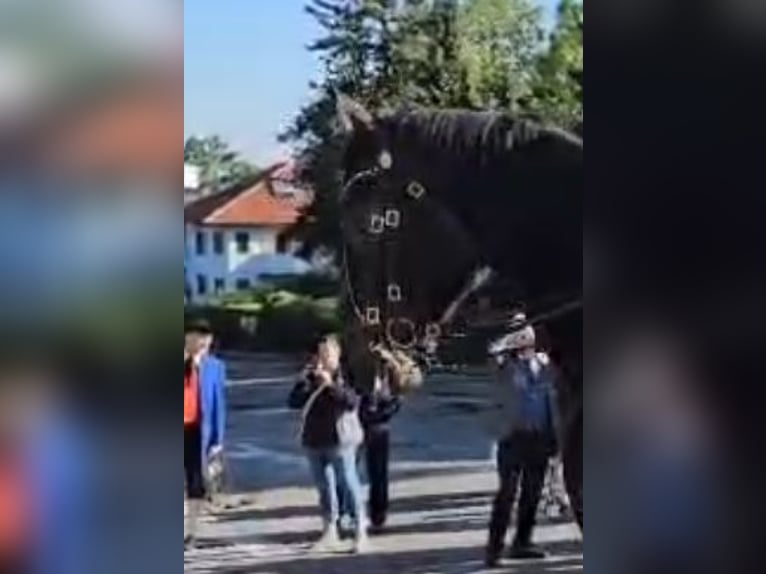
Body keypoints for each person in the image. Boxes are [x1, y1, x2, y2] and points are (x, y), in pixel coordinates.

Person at [484, 313, 560, 567]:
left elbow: (551, 402)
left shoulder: (545, 364)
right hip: (512, 438)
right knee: (507, 494)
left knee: (532, 493)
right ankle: (494, 549)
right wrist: (511, 338)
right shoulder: (503, 365)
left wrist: (555, 436)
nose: (525, 334)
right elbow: (492, 350)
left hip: (539, 437)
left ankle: (522, 542)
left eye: (526, 329)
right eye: (519, 330)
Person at [288, 335, 369, 554]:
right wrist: (305, 382)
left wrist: (330, 384)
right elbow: (293, 402)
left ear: (337, 355)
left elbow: (351, 403)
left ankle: (360, 528)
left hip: (341, 440)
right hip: (314, 439)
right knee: (324, 488)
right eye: (321, 353)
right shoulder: (309, 375)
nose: (324, 358)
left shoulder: (346, 375)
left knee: (348, 482)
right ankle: (329, 529)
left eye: (328, 354)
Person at [184, 319, 227, 549]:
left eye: (204, 337)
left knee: (195, 483)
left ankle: (192, 532)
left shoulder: (215, 366)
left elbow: (219, 404)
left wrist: (217, 440)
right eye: (194, 336)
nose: (199, 341)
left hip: (198, 431)